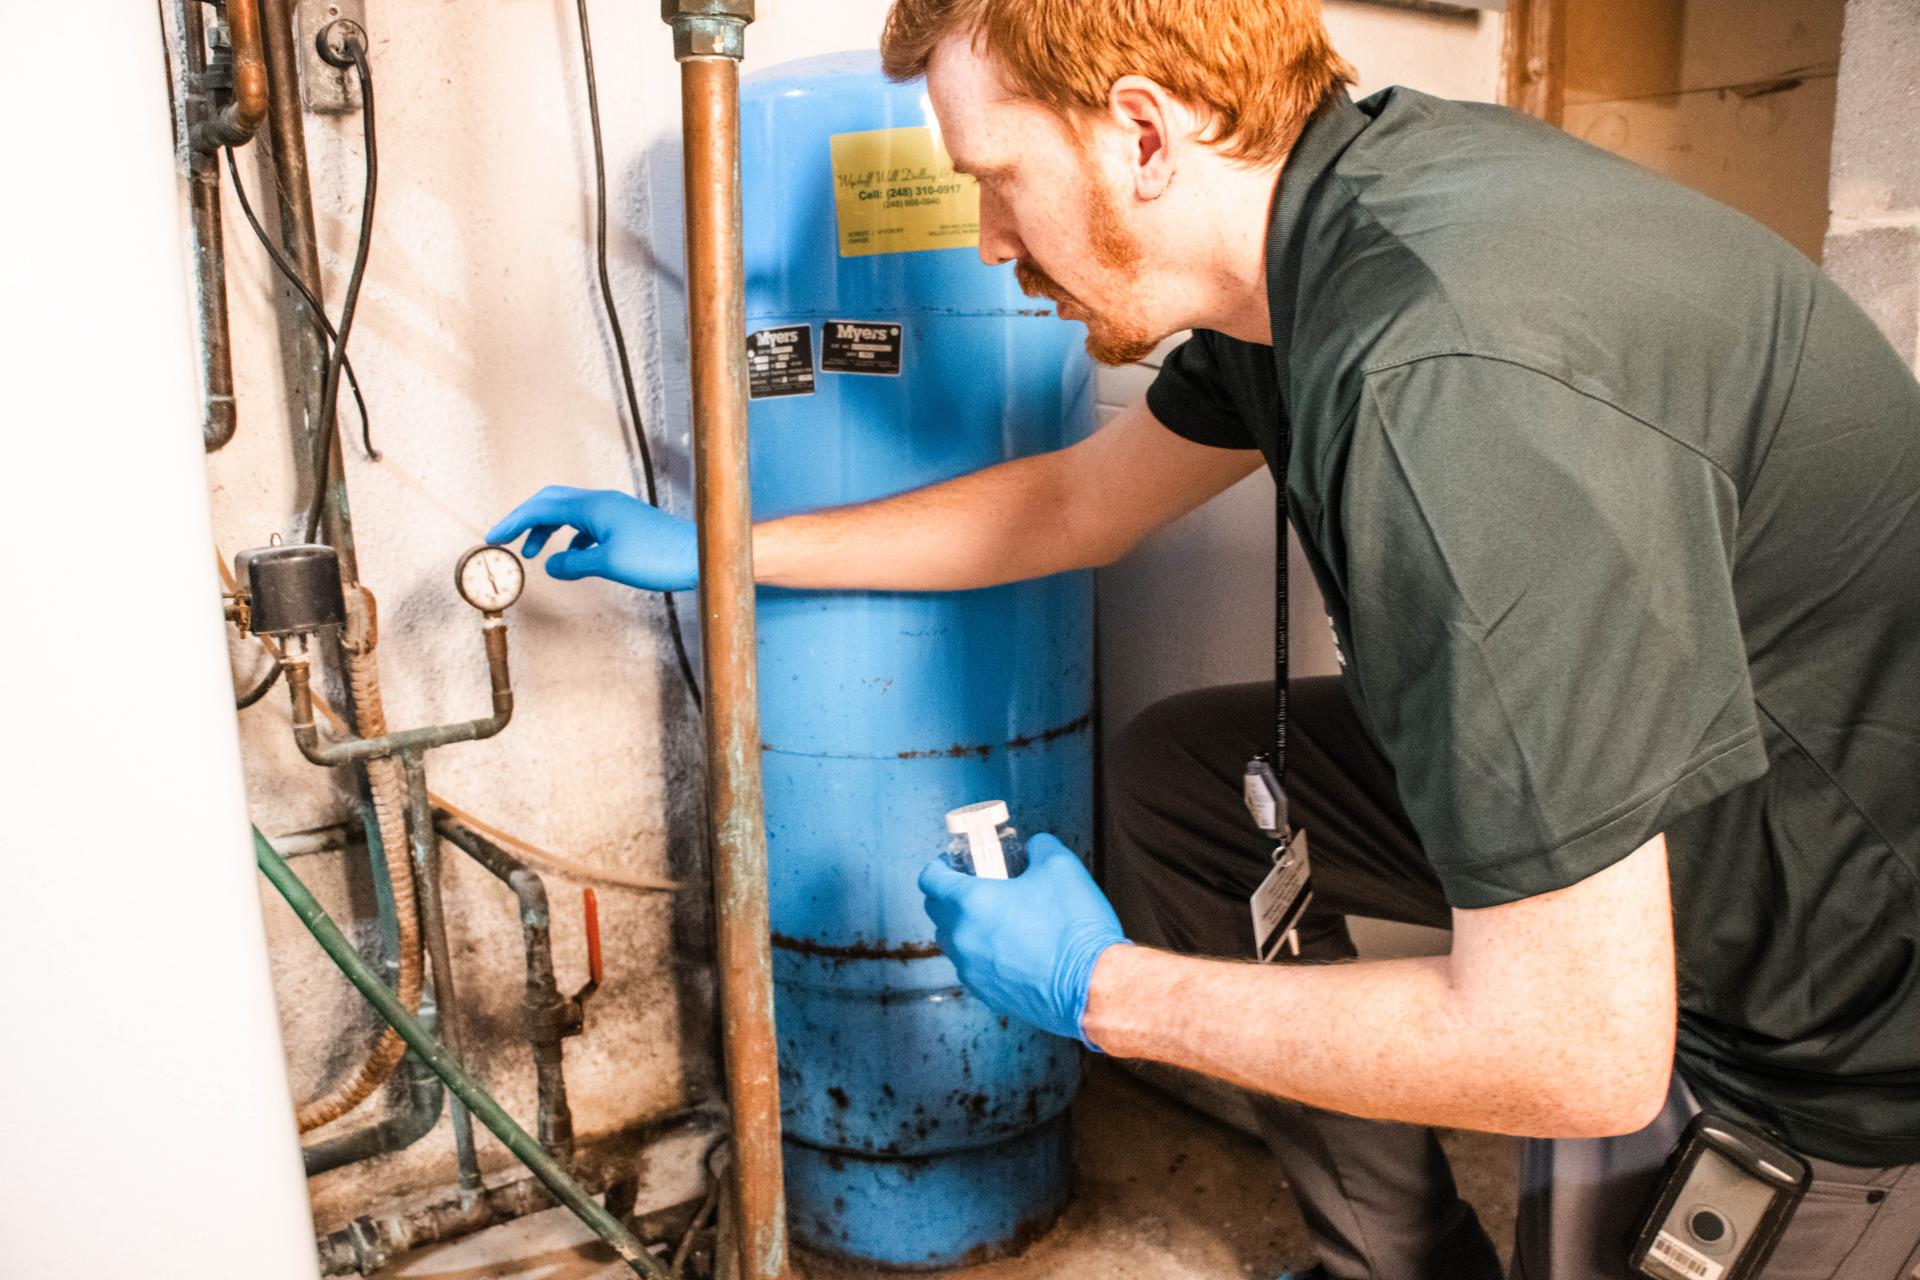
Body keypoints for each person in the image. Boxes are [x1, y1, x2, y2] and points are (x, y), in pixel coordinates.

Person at [488, 1, 1920, 1275]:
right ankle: (1399, 1259)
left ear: (1142, 132)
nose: (988, 237)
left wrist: (1105, 996)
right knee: (1191, 782)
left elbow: (1578, 1053)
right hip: (1677, 783)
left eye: (997, 179)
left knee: (1572, 1108)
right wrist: (718, 550)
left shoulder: (1453, 380)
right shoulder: (1319, 236)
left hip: (1827, 982)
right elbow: (1072, 504)